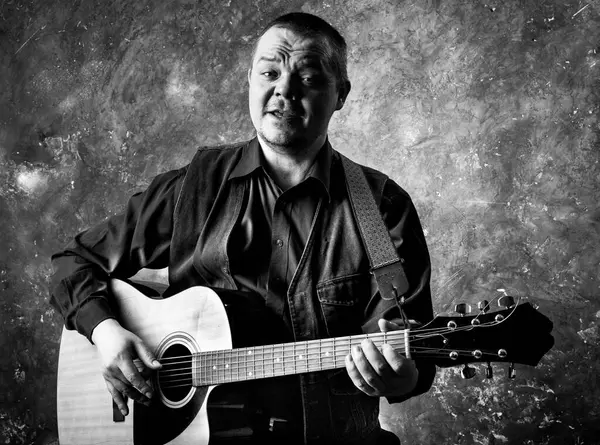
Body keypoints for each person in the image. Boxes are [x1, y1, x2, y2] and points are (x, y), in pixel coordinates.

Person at [50, 12, 435, 445]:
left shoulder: (383, 208)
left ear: (341, 94)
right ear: (250, 78)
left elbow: (412, 358)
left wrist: (398, 378)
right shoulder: (193, 189)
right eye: (270, 72)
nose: (283, 90)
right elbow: (73, 263)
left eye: (307, 78)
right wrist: (106, 332)